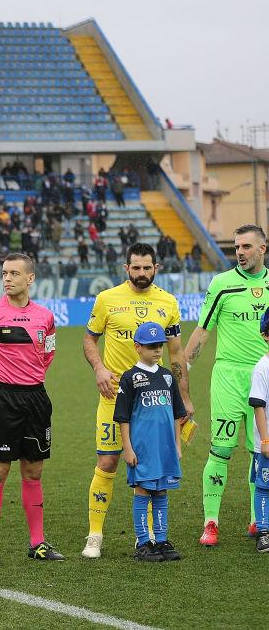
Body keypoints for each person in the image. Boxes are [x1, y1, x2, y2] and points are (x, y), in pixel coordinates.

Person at [81, 243, 189, 559]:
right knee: (108, 461)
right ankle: (95, 534)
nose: (141, 273)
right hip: (114, 397)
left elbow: (176, 353)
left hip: (155, 404)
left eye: (147, 267)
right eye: (136, 267)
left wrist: (184, 397)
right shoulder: (106, 300)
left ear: (156, 267)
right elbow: (89, 338)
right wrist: (99, 368)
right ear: (126, 268)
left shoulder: (168, 302)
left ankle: (149, 537)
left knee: (152, 466)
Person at [0, 254, 63, 565]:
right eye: (4, 273)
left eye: (14, 273)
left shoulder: (46, 318)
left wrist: (29, 382)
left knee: (33, 471)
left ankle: (37, 543)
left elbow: (47, 357)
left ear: (30, 278)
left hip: (35, 398)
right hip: (1, 398)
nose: (7, 278)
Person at [183, 224, 269, 545]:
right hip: (228, 377)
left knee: (261, 452)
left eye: (247, 246)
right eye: (236, 247)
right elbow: (202, 332)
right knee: (221, 450)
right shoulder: (221, 284)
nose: (240, 253)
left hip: (264, 377)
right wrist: (183, 371)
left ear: (263, 248)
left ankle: (257, 519)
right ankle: (211, 522)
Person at [114, 322, 185, 563]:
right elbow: (122, 417)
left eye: (160, 346)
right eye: (152, 346)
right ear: (137, 347)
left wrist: (177, 445)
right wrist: (127, 447)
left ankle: (162, 540)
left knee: (162, 491)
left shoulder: (167, 376)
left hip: (165, 447)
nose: (157, 350)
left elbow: (177, 413)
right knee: (143, 490)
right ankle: (144, 543)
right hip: (142, 448)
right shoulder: (130, 378)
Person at [248, 310, 269, 553]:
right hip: (266, 441)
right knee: (264, 485)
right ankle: (263, 530)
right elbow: (258, 405)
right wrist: (265, 440)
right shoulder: (263, 367)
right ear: (265, 335)